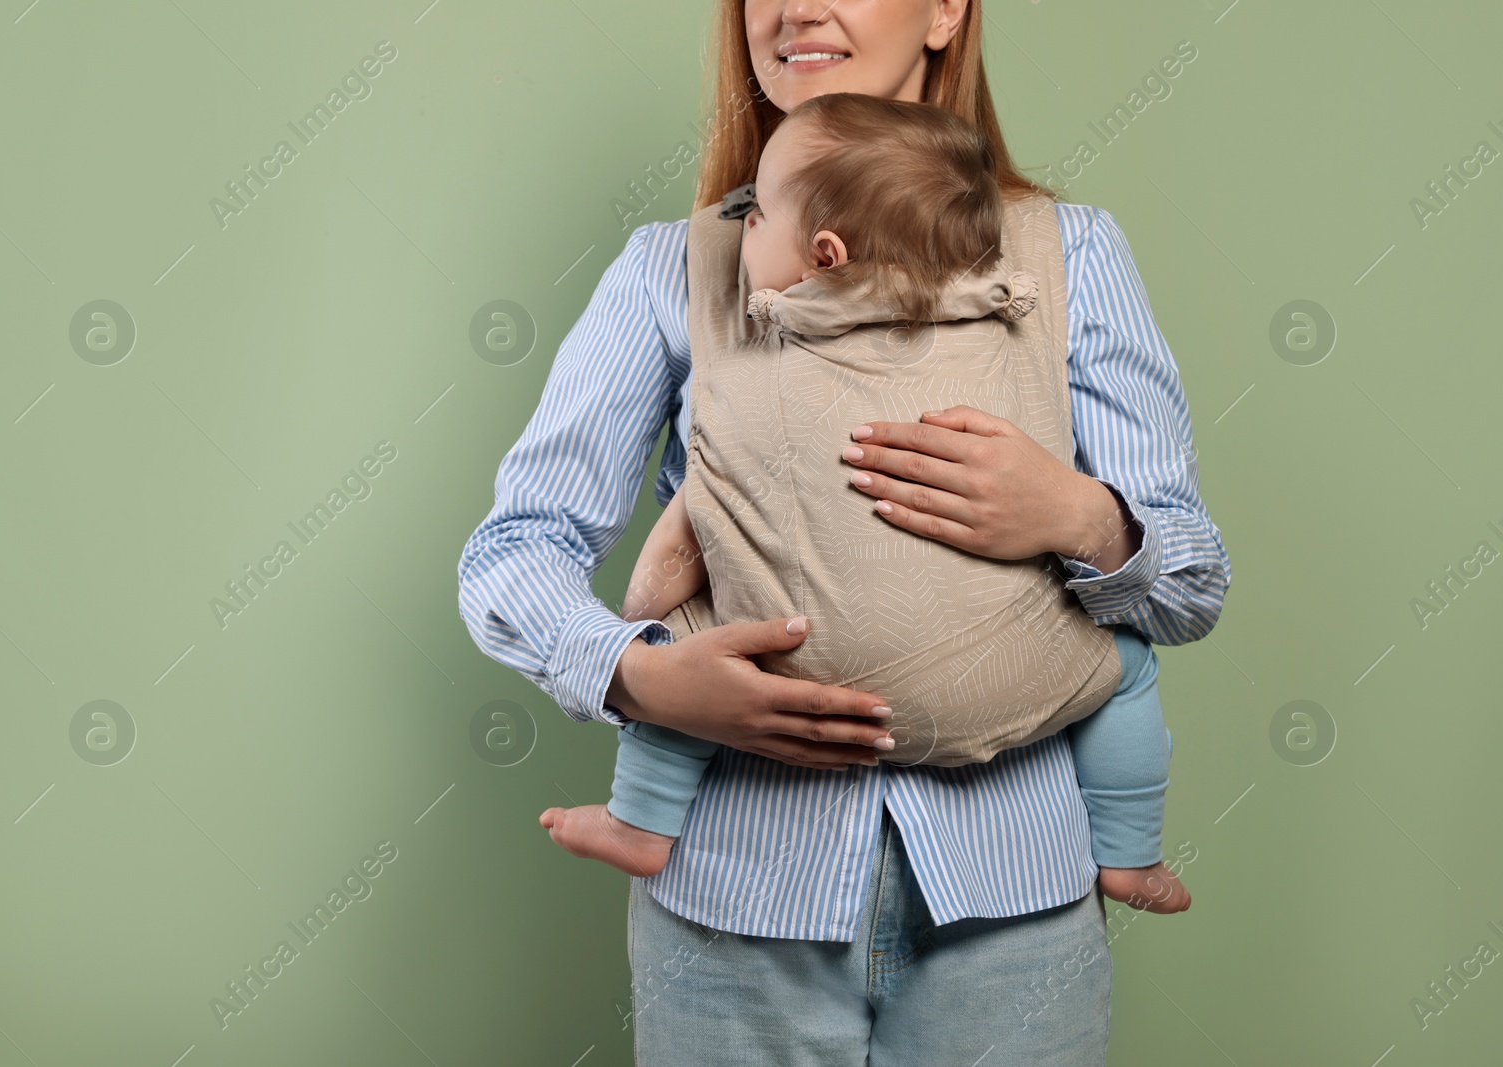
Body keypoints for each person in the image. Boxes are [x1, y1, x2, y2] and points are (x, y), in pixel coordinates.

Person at [457, 1, 1230, 1062]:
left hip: (1016, 912)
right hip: (731, 905)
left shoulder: (1066, 256)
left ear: (947, 10)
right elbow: (516, 546)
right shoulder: (672, 269)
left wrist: (1078, 516)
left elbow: (1189, 587)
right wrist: (636, 676)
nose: (796, 7)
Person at [538, 91, 1190, 919]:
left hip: (787, 666)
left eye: (755, 214)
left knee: (685, 634)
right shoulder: (1002, 296)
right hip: (1001, 685)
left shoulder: (753, 372)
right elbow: (528, 539)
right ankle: (1131, 854)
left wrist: (640, 657)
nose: (739, 228)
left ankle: (641, 821)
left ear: (822, 253)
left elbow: (680, 549)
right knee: (1125, 671)